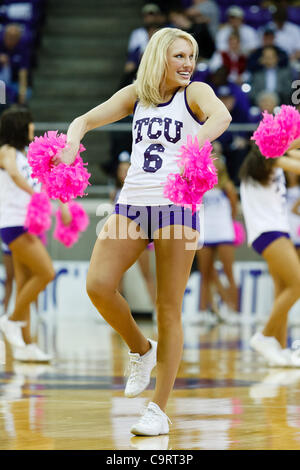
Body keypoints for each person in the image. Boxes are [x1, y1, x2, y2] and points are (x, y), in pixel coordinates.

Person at [57, 27, 232, 436]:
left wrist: (198, 145)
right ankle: (141, 348)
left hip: (177, 205)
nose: (188, 63)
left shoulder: (196, 93)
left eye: (191, 56)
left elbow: (221, 116)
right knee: (98, 285)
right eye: (179, 56)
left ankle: (158, 409)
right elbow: (84, 118)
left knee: (167, 307)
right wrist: (70, 145)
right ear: (159, 57)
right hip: (132, 202)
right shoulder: (137, 94)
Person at [0, 106, 56, 362]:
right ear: (20, 126)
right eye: (30, 123)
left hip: (25, 223)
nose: (33, 127)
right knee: (46, 272)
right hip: (14, 224)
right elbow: (11, 171)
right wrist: (33, 193)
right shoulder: (7, 151)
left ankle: (26, 345)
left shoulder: (22, 154)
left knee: (25, 283)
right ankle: (11, 321)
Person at [239, 143, 300, 367]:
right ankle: (264, 336)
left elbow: (292, 152)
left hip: (274, 231)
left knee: (283, 289)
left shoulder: (266, 164)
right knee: (297, 285)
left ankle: (279, 348)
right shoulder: (268, 161)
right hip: (269, 231)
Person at [196, 142, 239, 325]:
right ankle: (204, 312)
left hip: (223, 232)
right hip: (205, 233)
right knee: (205, 274)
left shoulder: (227, 187)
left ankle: (234, 312)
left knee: (229, 273)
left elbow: (234, 210)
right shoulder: (200, 185)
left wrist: (224, 222)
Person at [110, 151, 156, 307]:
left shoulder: (139, 188)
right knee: (117, 276)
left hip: (139, 235)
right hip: (120, 237)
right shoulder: (114, 193)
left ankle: (157, 311)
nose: (123, 173)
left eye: (126, 170)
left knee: (147, 274)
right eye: (121, 170)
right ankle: (116, 311)